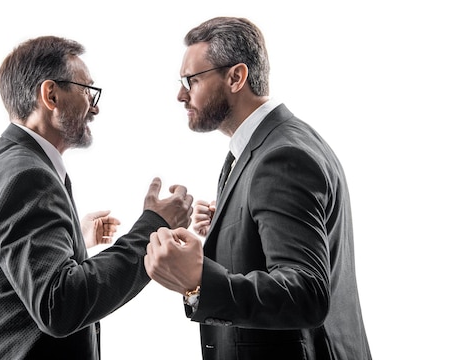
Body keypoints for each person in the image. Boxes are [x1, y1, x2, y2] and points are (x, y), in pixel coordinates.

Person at [0, 35, 193, 360]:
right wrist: (153, 226)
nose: (96, 105)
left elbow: (9, 274)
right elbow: (59, 305)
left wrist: (75, 241)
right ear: (51, 95)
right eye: (87, 89)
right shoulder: (27, 177)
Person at [143, 17, 371, 359]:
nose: (180, 94)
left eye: (191, 80)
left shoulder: (282, 157)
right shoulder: (266, 146)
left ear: (236, 77)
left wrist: (199, 280)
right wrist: (234, 227)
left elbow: (306, 293)